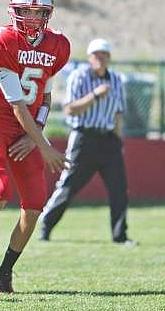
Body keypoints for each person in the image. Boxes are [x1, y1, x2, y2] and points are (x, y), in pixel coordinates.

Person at [0, 0, 70, 293]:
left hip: (28, 129)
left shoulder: (58, 45)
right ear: (13, 12)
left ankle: (6, 269)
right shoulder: (1, 40)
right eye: (25, 11)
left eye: (38, 11)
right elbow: (16, 104)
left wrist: (36, 135)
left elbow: (45, 96)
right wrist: (45, 145)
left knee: (34, 205)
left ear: (48, 14)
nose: (31, 17)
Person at [39, 38, 135, 246]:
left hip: (109, 138)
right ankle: (45, 224)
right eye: (96, 55)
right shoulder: (79, 76)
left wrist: (120, 139)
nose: (100, 59)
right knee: (68, 185)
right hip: (84, 137)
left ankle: (120, 236)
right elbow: (69, 108)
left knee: (119, 189)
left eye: (104, 55)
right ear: (90, 58)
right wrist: (94, 95)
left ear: (109, 58)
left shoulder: (116, 79)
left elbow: (118, 112)